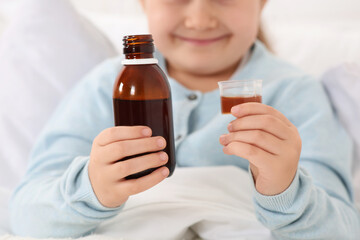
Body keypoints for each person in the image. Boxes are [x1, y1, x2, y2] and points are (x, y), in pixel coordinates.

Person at [10, 0, 360, 239]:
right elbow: (28, 216)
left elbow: (341, 230)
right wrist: (91, 189)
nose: (200, 19)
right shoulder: (108, 86)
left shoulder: (295, 93)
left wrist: (285, 191)